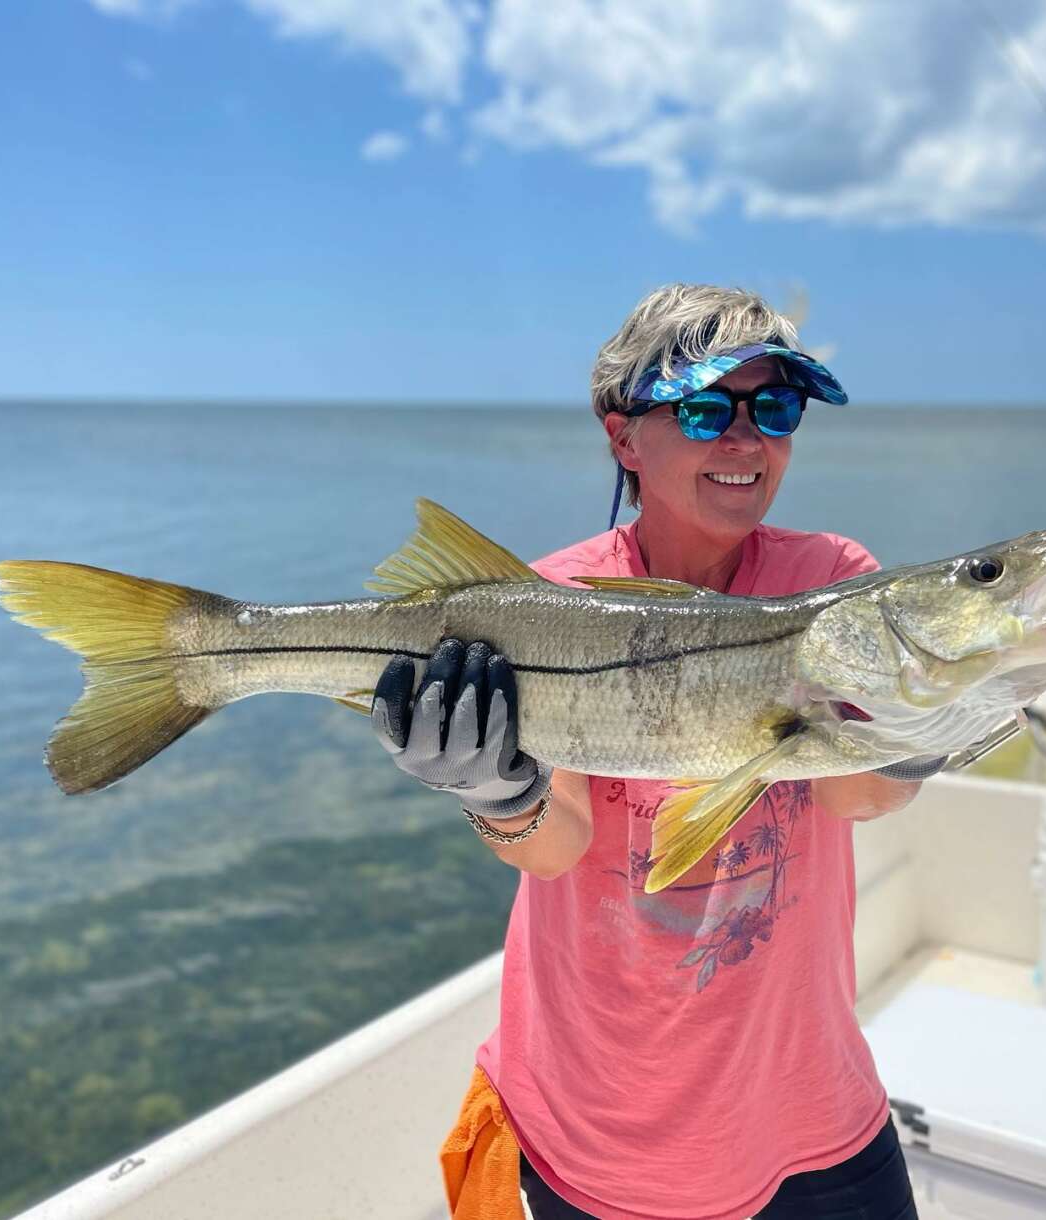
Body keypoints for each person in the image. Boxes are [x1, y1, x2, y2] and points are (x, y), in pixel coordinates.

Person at [373, 284, 937, 1220]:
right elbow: (555, 845)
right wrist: (497, 795)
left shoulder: (831, 578)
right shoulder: (551, 602)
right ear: (623, 437)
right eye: (707, 409)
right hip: (606, 1129)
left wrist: (940, 716)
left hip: (812, 1101)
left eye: (777, 409)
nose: (745, 441)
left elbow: (857, 797)